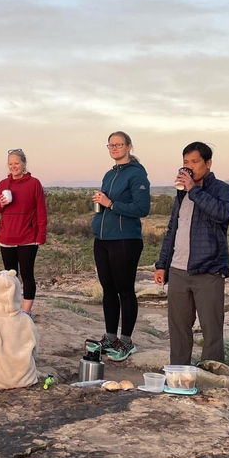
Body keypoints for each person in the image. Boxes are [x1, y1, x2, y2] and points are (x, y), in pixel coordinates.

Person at [154, 141, 229, 365]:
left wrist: (194, 190)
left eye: (194, 162)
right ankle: (179, 376)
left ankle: (211, 380)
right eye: (185, 162)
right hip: (178, 271)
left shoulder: (223, 190)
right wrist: (162, 264)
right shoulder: (181, 195)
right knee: (179, 329)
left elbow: (222, 214)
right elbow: (173, 229)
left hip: (209, 271)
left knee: (211, 331)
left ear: (208, 163)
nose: (189, 166)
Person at [91, 131, 150, 361]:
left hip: (125, 239)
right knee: (108, 290)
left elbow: (142, 208)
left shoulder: (137, 175)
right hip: (103, 239)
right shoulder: (109, 174)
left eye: (119, 144)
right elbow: (107, 203)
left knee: (125, 290)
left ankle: (126, 341)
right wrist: (99, 214)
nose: (114, 148)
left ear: (129, 147)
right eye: (111, 145)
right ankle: (110, 337)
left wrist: (111, 204)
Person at [0, 149, 47, 315]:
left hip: (28, 238)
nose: (13, 166)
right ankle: (12, 309)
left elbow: (41, 211)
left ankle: (26, 312)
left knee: (27, 275)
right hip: (7, 238)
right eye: (10, 164)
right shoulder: (2, 184)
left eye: (17, 163)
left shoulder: (34, 183)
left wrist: (40, 235)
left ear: (24, 164)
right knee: (10, 277)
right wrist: (1, 204)